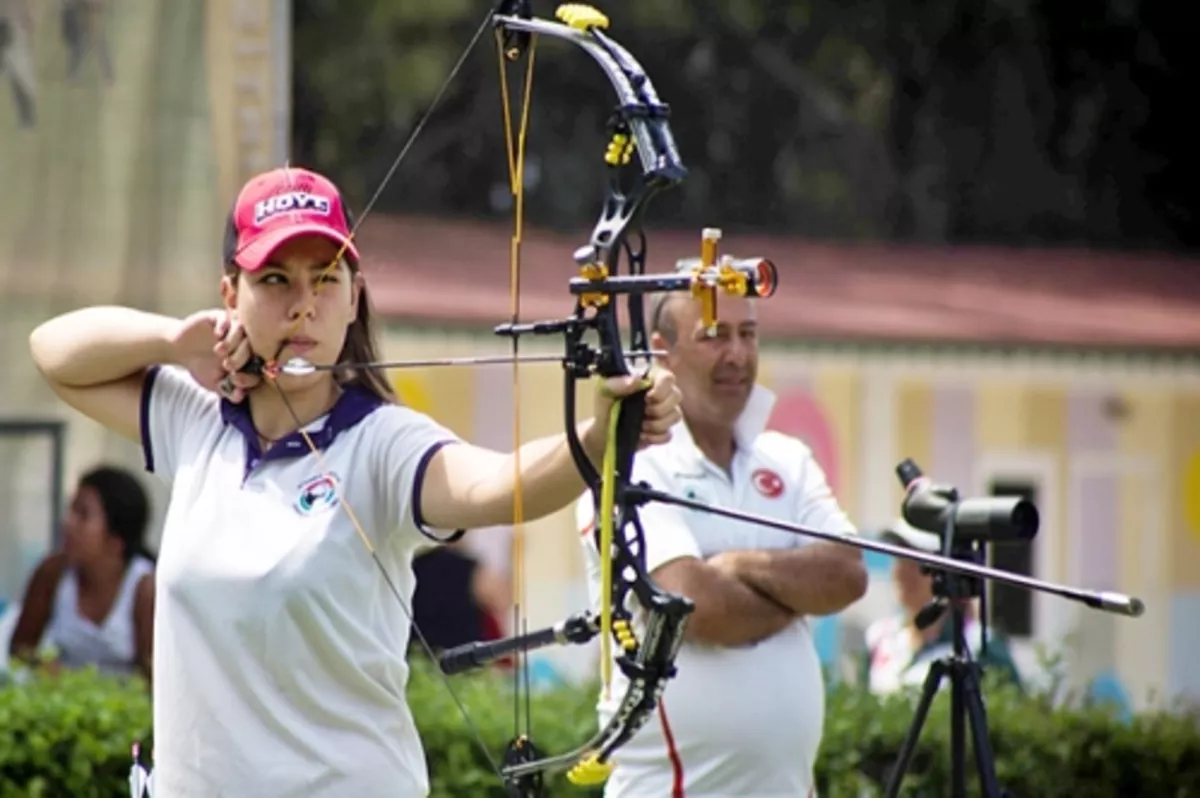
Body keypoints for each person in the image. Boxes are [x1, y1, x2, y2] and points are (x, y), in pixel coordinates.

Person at [26, 164, 682, 798]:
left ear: (353, 296)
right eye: (276, 279)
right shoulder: (198, 419)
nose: (303, 304)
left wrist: (597, 439)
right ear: (232, 296)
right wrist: (176, 341)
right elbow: (54, 353)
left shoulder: (383, 443)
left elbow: (500, 487)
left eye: (325, 278)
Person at [575, 258, 869, 798]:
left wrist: (737, 567)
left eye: (748, 334)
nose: (737, 355)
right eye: (714, 336)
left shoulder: (787, 458)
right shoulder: (631, 465)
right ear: (663, 352)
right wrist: (797, 594)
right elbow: (694, 607)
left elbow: (848, 574)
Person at [8, 465, 155, 681]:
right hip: (65, 704)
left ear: (116, 540)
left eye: (82, 515)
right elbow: (21, 647)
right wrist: (46, 668)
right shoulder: (52, 573)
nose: (68, 523)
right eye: (71, 511)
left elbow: (154, 675)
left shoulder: (145, 588)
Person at [861, 518, 1022, 695]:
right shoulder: (879, 639)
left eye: (917, 562)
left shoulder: (980, 646)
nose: (901, 572)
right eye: (899, 558)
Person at [410, 539, 510, 655]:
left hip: (419, 654)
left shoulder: (412, 568)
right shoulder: (470, 571)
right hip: (460, 658)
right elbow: (501, 600)